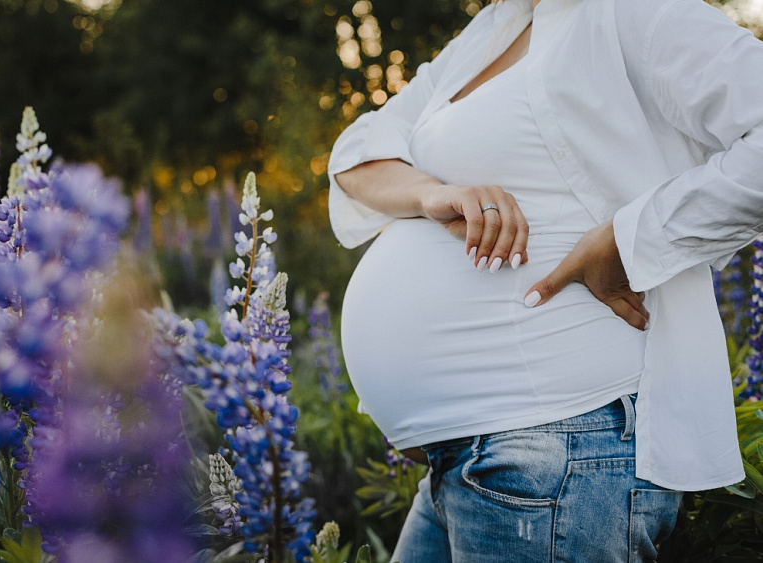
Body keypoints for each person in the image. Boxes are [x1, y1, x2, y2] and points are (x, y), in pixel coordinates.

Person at [327, 0, 763, 560]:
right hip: (471, 461)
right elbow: (358, 153)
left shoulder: (639, 11)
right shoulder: (496, 29)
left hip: (556, 452)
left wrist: (630, 242)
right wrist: (432, 192)